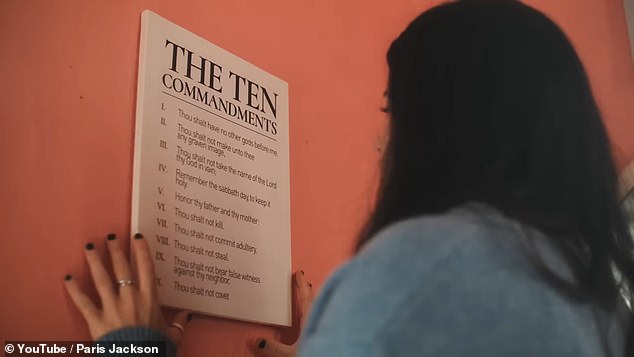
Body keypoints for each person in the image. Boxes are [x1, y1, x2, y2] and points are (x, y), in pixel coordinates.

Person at [63, 0, 634, 355]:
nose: (381, 140)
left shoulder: (415, 271)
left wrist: (131, 350)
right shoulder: (596, 295)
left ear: (445, 122)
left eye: (392, 109)